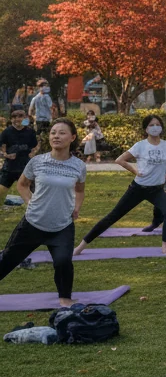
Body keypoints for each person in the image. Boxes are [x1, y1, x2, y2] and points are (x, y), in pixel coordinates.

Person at [0, 119, 86, 307]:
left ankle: (65, 298)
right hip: (32, 223)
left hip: (62, 225)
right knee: (7, 260)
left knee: (63, 262)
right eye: (53, 132)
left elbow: (80, 190)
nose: (56, 136)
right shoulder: (37, 162)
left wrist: (77, 206)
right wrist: (29, 202)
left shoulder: (79, 166)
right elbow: (22, 185)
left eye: (62, 133)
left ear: (72, 137)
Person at [76, 114, 166, 254]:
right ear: (146, 129)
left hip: (157, 190)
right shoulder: (140, 146)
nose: (155, 127)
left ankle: (165, 247)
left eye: (157, 124)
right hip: (138, 189)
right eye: (151, 125)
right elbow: (120, 160)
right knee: (113, 216)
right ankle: (80, 247)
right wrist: (135, 170)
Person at [0, 106, 38, 207]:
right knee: (1, 192)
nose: (18, 119)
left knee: (34, 195)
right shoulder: (6, 132)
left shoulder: (30, 132)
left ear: (25, 117)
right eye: (14, 116)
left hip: (26, 167)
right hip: (9, 168)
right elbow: (2, 148)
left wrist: (33, 154)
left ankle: (35, 210)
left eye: (21, 116)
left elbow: (35, 146)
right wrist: (6, 155)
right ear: (11, 118)